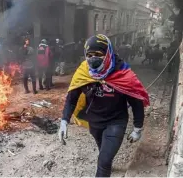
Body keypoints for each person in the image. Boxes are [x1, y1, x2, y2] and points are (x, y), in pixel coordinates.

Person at [58, 34, 149, 177]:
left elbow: (136, 101)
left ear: (108, 54)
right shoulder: (83, 72)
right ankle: (106, 164)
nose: (93, 58)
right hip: (94, 122)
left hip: (116, 121)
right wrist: (64, 121)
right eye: (89, 54)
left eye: (98, 54)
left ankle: (105, 165)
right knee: (103, 152)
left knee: (103, 161)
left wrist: (137, 128)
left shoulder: (123, 74)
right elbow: (71, 98)